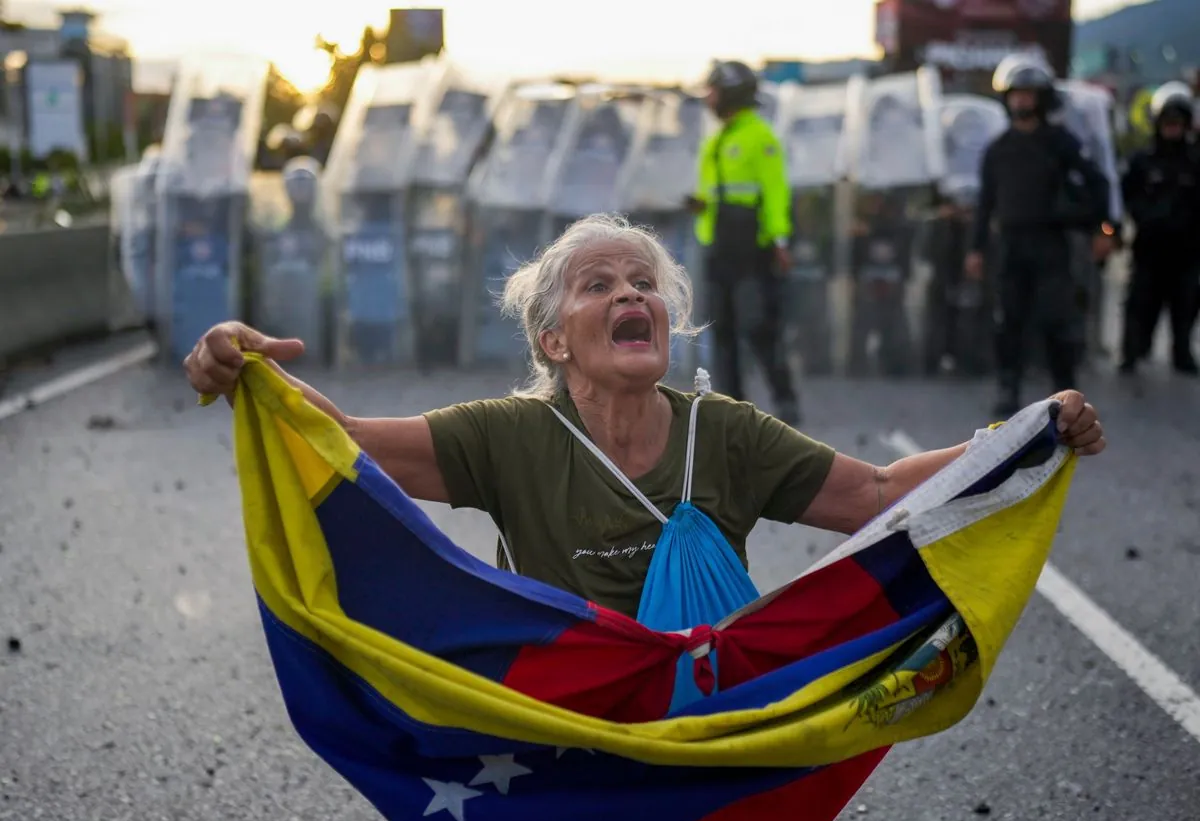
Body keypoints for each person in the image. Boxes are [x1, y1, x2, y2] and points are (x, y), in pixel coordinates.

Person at [184, 213, 1106, 619]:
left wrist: (1020, 436)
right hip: (564, 728)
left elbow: (875, 493)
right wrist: (238, 364)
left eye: (645, 283)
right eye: (599, 285)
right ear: (552, 341)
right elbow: (341, 446)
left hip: (703, 730)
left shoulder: (727, 432)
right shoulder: (508, 437)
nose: (633, 294)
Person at [965, 55, 1110, 417]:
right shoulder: (998, 150)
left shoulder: (1060, 142)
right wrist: (976, 248)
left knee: (1056, 320)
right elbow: (985, 203)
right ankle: (1007, 386)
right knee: (1008, 320)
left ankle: (1066, 393)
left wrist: (1102, 228)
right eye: (1016, 94)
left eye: (1029, 94)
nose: (1022, 101)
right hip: (1011, 245)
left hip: (1051, 245)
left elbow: (1097, 181)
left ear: (1041, 98)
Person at [687, 60, 801, 425]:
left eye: (713, 90)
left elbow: (775, 192)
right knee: (722, 329)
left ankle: (785, 400)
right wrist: (701, 205)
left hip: (752, 246)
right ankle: (732, 405)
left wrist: (780, 241)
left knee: (758, 327)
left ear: (732, 92)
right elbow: (718, 190)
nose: (708, 98)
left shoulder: (759, 136)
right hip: (719, 245)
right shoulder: (718, 137)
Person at [1118, 81, 1200, 376]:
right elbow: (1124, 197)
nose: (1173, 128)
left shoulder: (1195, 160)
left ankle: (1182, 353)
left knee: (1186, 306)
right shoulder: (1142, 160)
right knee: (1139, 303)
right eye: (1168, 122)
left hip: (1188, 250)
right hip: (1149, 248)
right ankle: (1131, 353)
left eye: (1178, 122)